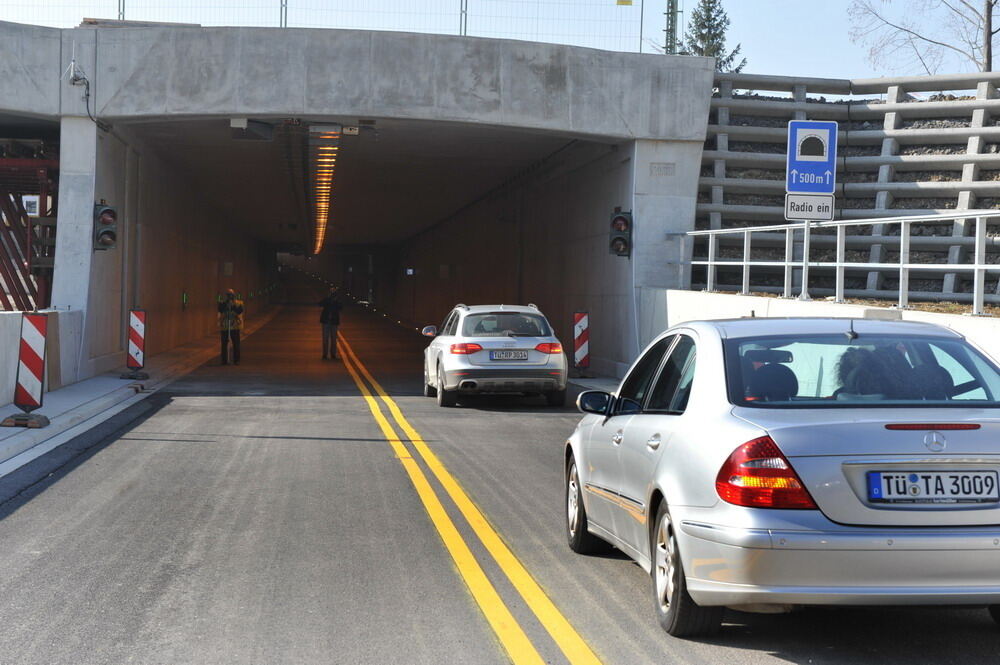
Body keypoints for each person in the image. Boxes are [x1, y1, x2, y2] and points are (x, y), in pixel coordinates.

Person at [218, 289, 244, 365]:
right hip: (225, 327)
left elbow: (240, 310)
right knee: (224, 344)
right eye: (229, 295)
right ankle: (224, 360)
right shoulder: (222, 303)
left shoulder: (239, 303)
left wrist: (233, 306)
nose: (230, 297)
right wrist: (227, 305)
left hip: (235, 326)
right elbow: (220, 309)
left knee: (236, 344)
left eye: (231, 295)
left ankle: (236, 360)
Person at [318, 287, 343, 360]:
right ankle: (325, 354)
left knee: (333, 339)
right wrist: (328, 299)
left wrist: (336, 301)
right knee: (325, 339)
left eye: (334, 293)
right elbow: (320, 304)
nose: (332, 294)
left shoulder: (337, 301)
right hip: (326, 321)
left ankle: (333, 354)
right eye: (331, 292)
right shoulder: (327, 300)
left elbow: (341, 307)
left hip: (334, 322)